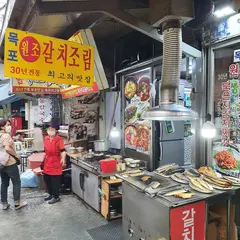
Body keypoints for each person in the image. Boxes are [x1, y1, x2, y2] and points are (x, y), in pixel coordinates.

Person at [0, 120, 27, 210]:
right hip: (9, 163)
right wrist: (16, 155)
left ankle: (4, 203)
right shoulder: (6, 136)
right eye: (7, 125)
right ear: (2, 126)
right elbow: (7, 148)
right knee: (16, 182)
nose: (9, 126)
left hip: (1, 164)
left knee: (4, 183)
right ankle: (17, 203)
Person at [42, 124, 66, 204]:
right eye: (49, 128)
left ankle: (56, 196)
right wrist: (43, 160)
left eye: (52, 128)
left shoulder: (59, 139)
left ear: (56, 130)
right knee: (47, 178)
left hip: (56, 160)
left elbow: (63, 150)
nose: (50, 129)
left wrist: (63, 158)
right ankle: (51, 194)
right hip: (48, 160)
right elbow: (45, 151)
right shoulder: (46, 138)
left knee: (54, 180)